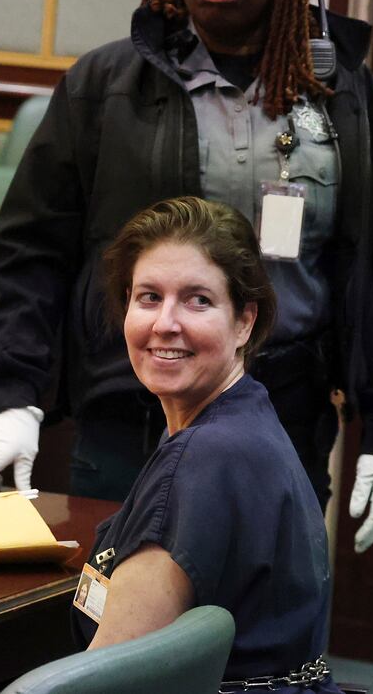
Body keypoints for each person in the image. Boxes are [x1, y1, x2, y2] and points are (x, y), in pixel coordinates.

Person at [0, 0, 373, 554]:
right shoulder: (104, 87)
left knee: (257, 636)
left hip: (283, 417)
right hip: (130, 415)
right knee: (115, 633)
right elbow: (32, 256)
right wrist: (15, 397)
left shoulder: (350, 101)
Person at [71, 195, 342, 694]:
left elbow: (107, 684)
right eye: (149, 297)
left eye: (198, 300)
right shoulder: (245, 420)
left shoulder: (206, 459)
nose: (165, 324)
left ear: (244, 322)